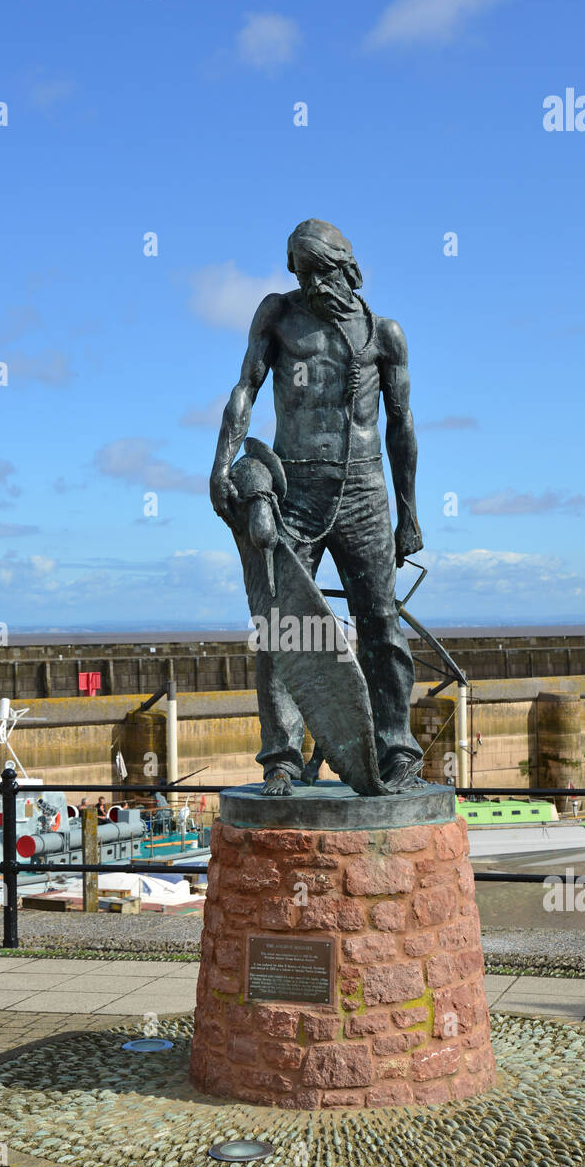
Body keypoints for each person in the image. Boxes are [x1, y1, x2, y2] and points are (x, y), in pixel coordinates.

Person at [210, 219, 424, 796]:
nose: (309, 282)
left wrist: (408, 513)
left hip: (364, 491)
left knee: (381, 623)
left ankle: (396, 750)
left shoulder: (386, 334)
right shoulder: (277, 315)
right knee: (285, 628)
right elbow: (244, 390)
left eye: (319, 271)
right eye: (300, 272)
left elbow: (402, 427)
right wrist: (221, 460)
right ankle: (281, 757)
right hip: (293, 490)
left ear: (346, 268)